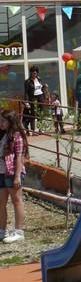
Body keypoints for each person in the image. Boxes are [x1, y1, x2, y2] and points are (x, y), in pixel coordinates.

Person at [0, 109, 28, 243]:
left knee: (16, 200)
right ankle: (2, 230)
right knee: (1, 202)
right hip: (1, 172)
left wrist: (17, 176)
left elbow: (19, 157)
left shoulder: (17, 136)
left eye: (3, 121)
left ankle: (19, 232)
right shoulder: (3, 135)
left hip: (11, 173)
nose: (1, 123)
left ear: (11, 121)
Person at [23, 66, 44, 134]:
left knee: (40, 114)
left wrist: (45, 88)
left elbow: (41, 88)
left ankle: (40, 128)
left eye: (36, 72)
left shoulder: (39, 79)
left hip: (40, 97)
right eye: (33, 72)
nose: (35, 73)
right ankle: (33, 130)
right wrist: (26, 101)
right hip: (33, 98)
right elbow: (26, 92)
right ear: (31, 73)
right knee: (33, 114)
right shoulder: (27, 81)